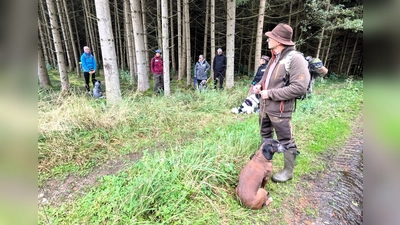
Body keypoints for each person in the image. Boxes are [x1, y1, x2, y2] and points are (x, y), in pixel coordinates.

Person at [253, 23, 310, 183]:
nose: (267, 40)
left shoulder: (295, 58)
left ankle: (288, 172)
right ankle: (265, 163)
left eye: (270, 37)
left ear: (279, 40)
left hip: (281, 111)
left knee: (286, 141)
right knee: (265, 135)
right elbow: (268, 78)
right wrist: (260, 86)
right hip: (265, 107)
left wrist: (269, 93)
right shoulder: (274, 57)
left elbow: (300, 88)